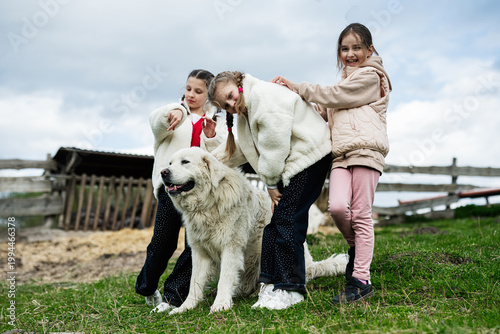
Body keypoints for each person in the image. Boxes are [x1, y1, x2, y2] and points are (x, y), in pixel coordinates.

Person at [271, 22, 391, 303]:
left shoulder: (372, 78)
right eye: (344, 48)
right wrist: (291, 101)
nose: (350, 53)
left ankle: (360, 279)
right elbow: (321, 111)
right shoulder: (341, 84)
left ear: (369, 49)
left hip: (366, 152)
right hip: (340, 156)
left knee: (360, 213)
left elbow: (335, 97)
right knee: (337, 209)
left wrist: (299, 86)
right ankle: (358, 250)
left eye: (356, 48)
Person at [208, 70, 332, 310]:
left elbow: (274, 148)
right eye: (225, 105)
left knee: (288, 219)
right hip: (292, 165)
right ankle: (271, 283)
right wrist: (205, 163)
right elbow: (240, 151)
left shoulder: (264, 96)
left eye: (231, 96)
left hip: (310, 156)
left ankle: (291, 288)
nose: (231, 104)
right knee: (274, 224)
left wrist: (272, 184)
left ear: (239, 83)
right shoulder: (245, 114)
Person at [135, 69, 226, 312]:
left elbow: (221, 155)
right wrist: (172, 113)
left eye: (198, 91)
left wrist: (212, 135)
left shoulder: (214, 122)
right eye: (188, 89)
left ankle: (173, 297)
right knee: (162, 242)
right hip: (171, 192)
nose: (191, 95)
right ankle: (146, 285)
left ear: (209, 94)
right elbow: (157, 124)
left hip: (198, 197)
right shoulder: (175, 114)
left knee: (192, 246)